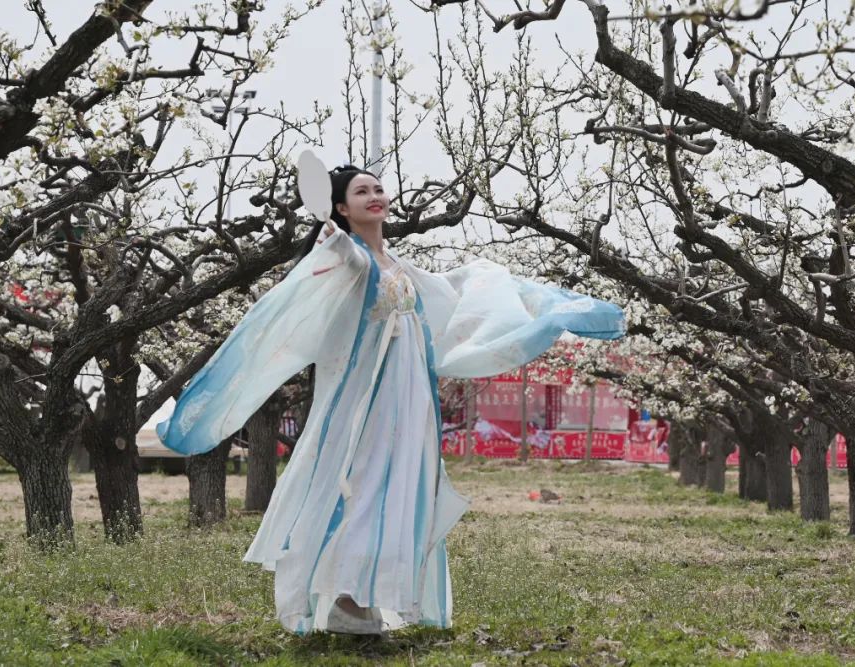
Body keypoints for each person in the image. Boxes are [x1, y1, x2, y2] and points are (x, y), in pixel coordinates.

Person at [158, 151, 625, 636]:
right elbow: (346, 263)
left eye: (378, 188)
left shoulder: (399, 265)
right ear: (340, 208)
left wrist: (535, 306)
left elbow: (446, 303)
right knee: (362, 486)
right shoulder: (344, 256)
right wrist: (335, 244)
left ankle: (368, 596)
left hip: (411, 396)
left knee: (402, 488)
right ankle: (346, 598)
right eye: (362, 192)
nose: (375, 196)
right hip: (366, 400)